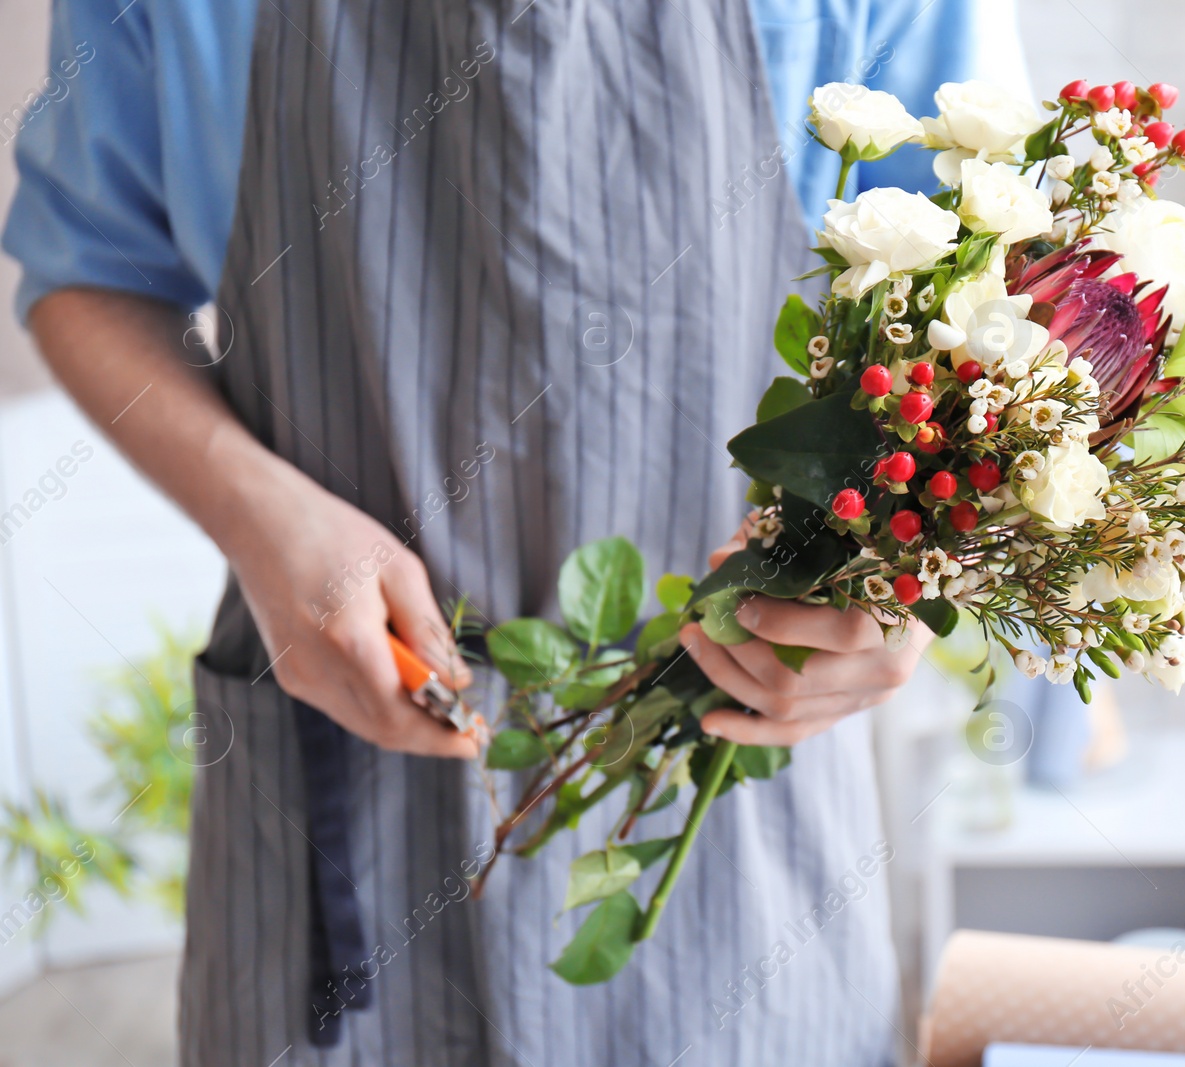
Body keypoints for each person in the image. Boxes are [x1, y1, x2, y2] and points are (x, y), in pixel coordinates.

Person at [3, 0, 1029, 1063]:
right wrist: (259, 516)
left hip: (725, 783)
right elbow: (89, 270)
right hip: (340, 803)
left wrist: (890, 587)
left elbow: (998, 306)